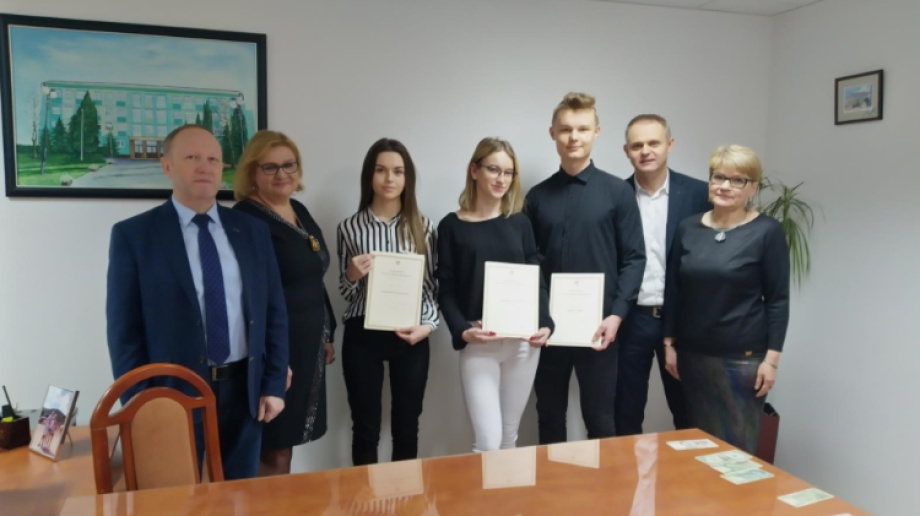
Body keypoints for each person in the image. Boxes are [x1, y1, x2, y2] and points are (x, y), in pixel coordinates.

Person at [106, 124, 289, 480]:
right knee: (176, 496)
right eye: (192, 157)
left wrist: (273, 383)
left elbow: (274, 313)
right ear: (167, 166)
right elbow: (123, 332)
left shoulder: (252, 231)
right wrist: (141, 403)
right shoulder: (134, 236)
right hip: (170, 394)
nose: (205, 167)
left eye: (213, 159)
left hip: (245, 390)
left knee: (240, 495)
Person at [524, 92, 646, 444]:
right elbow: (530, 263)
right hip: (548, 330)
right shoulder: (536, 197)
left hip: (600, 328)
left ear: (596, 132)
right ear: (553, 133)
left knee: (601, 420)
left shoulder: (618, 192)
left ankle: (603, 485)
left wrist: (617, 315)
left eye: (582, 129)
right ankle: (553, 483)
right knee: (549, 417)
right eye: (565, 129)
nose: (573, 137)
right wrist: (537, 316)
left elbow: (635, 258)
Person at [662, 144, 790, 454]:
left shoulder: (767, 231)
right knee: (699, 445)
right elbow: (674, 290)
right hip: (693, 357)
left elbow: (777, 300)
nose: (725, 186)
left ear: (753, 188)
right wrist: (669, 344)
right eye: (718, 177)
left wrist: (771, 361)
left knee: (736, 452)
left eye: (737, 180)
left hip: (742, 360)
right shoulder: (688, 228)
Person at [437, 137, 554, 452]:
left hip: (522, 344)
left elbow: (536, 280)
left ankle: (508, 489)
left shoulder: (520, 223)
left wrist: (546, 323)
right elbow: (445, 288)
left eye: (508, 172)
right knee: (488, 441)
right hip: (480, 344)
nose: (502, 179)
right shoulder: (451, 226)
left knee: (508, 436)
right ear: (474, 170)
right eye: (493, 169)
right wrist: (461, 330)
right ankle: (483, 489)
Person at [233, 130, 336, 476]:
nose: (282, 174)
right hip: (278, 350)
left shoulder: (298, 209)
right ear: (252, 172)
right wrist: (268, 359)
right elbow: (247, 296)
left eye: (289, 165)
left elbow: (313, 276)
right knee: (272, 446)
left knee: (287, 442)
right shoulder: (245, 218)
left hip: (308, 346)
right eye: (270, 167)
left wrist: (328, 332)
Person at [336, 138, 439, 465]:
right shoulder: (349, 227)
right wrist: (351, 274)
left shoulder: (424, 227)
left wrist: (428, 325)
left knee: (407, 426)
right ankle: (364, 495)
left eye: (398, 171)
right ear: (370, 175)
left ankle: (404, 494)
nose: (389, 178)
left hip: (410, 335)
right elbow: (346, 293)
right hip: (362, 333)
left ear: (407, 178)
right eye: (381, 170)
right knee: (364, 427)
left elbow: (432, 288)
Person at [615, 114, 711, 436]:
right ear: (626, 151)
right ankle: (627, 471)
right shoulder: (615, 196)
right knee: (625, 413)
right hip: (631, 320)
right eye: (637, 145)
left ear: (670, 144)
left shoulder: (700, 194)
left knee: (688, 414)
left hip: (682, 322)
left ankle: (687, 471)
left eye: (653, 143)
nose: (646, 151)